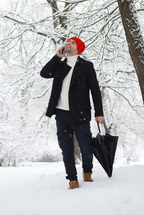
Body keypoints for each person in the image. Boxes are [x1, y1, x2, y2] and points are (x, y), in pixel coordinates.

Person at [40, 37, 104, 189]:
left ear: (78, 48)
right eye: (67, 41)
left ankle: (87, 171)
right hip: (61, 114)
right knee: (66, 150)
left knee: (86, 149)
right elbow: (44, 73)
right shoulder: (60, 66)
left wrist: (99, 112)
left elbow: (95, 90)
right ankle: (72, 180)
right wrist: (57, 57)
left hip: (80, 114)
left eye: (73, 42)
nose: (68, 43)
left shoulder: (86, 66)